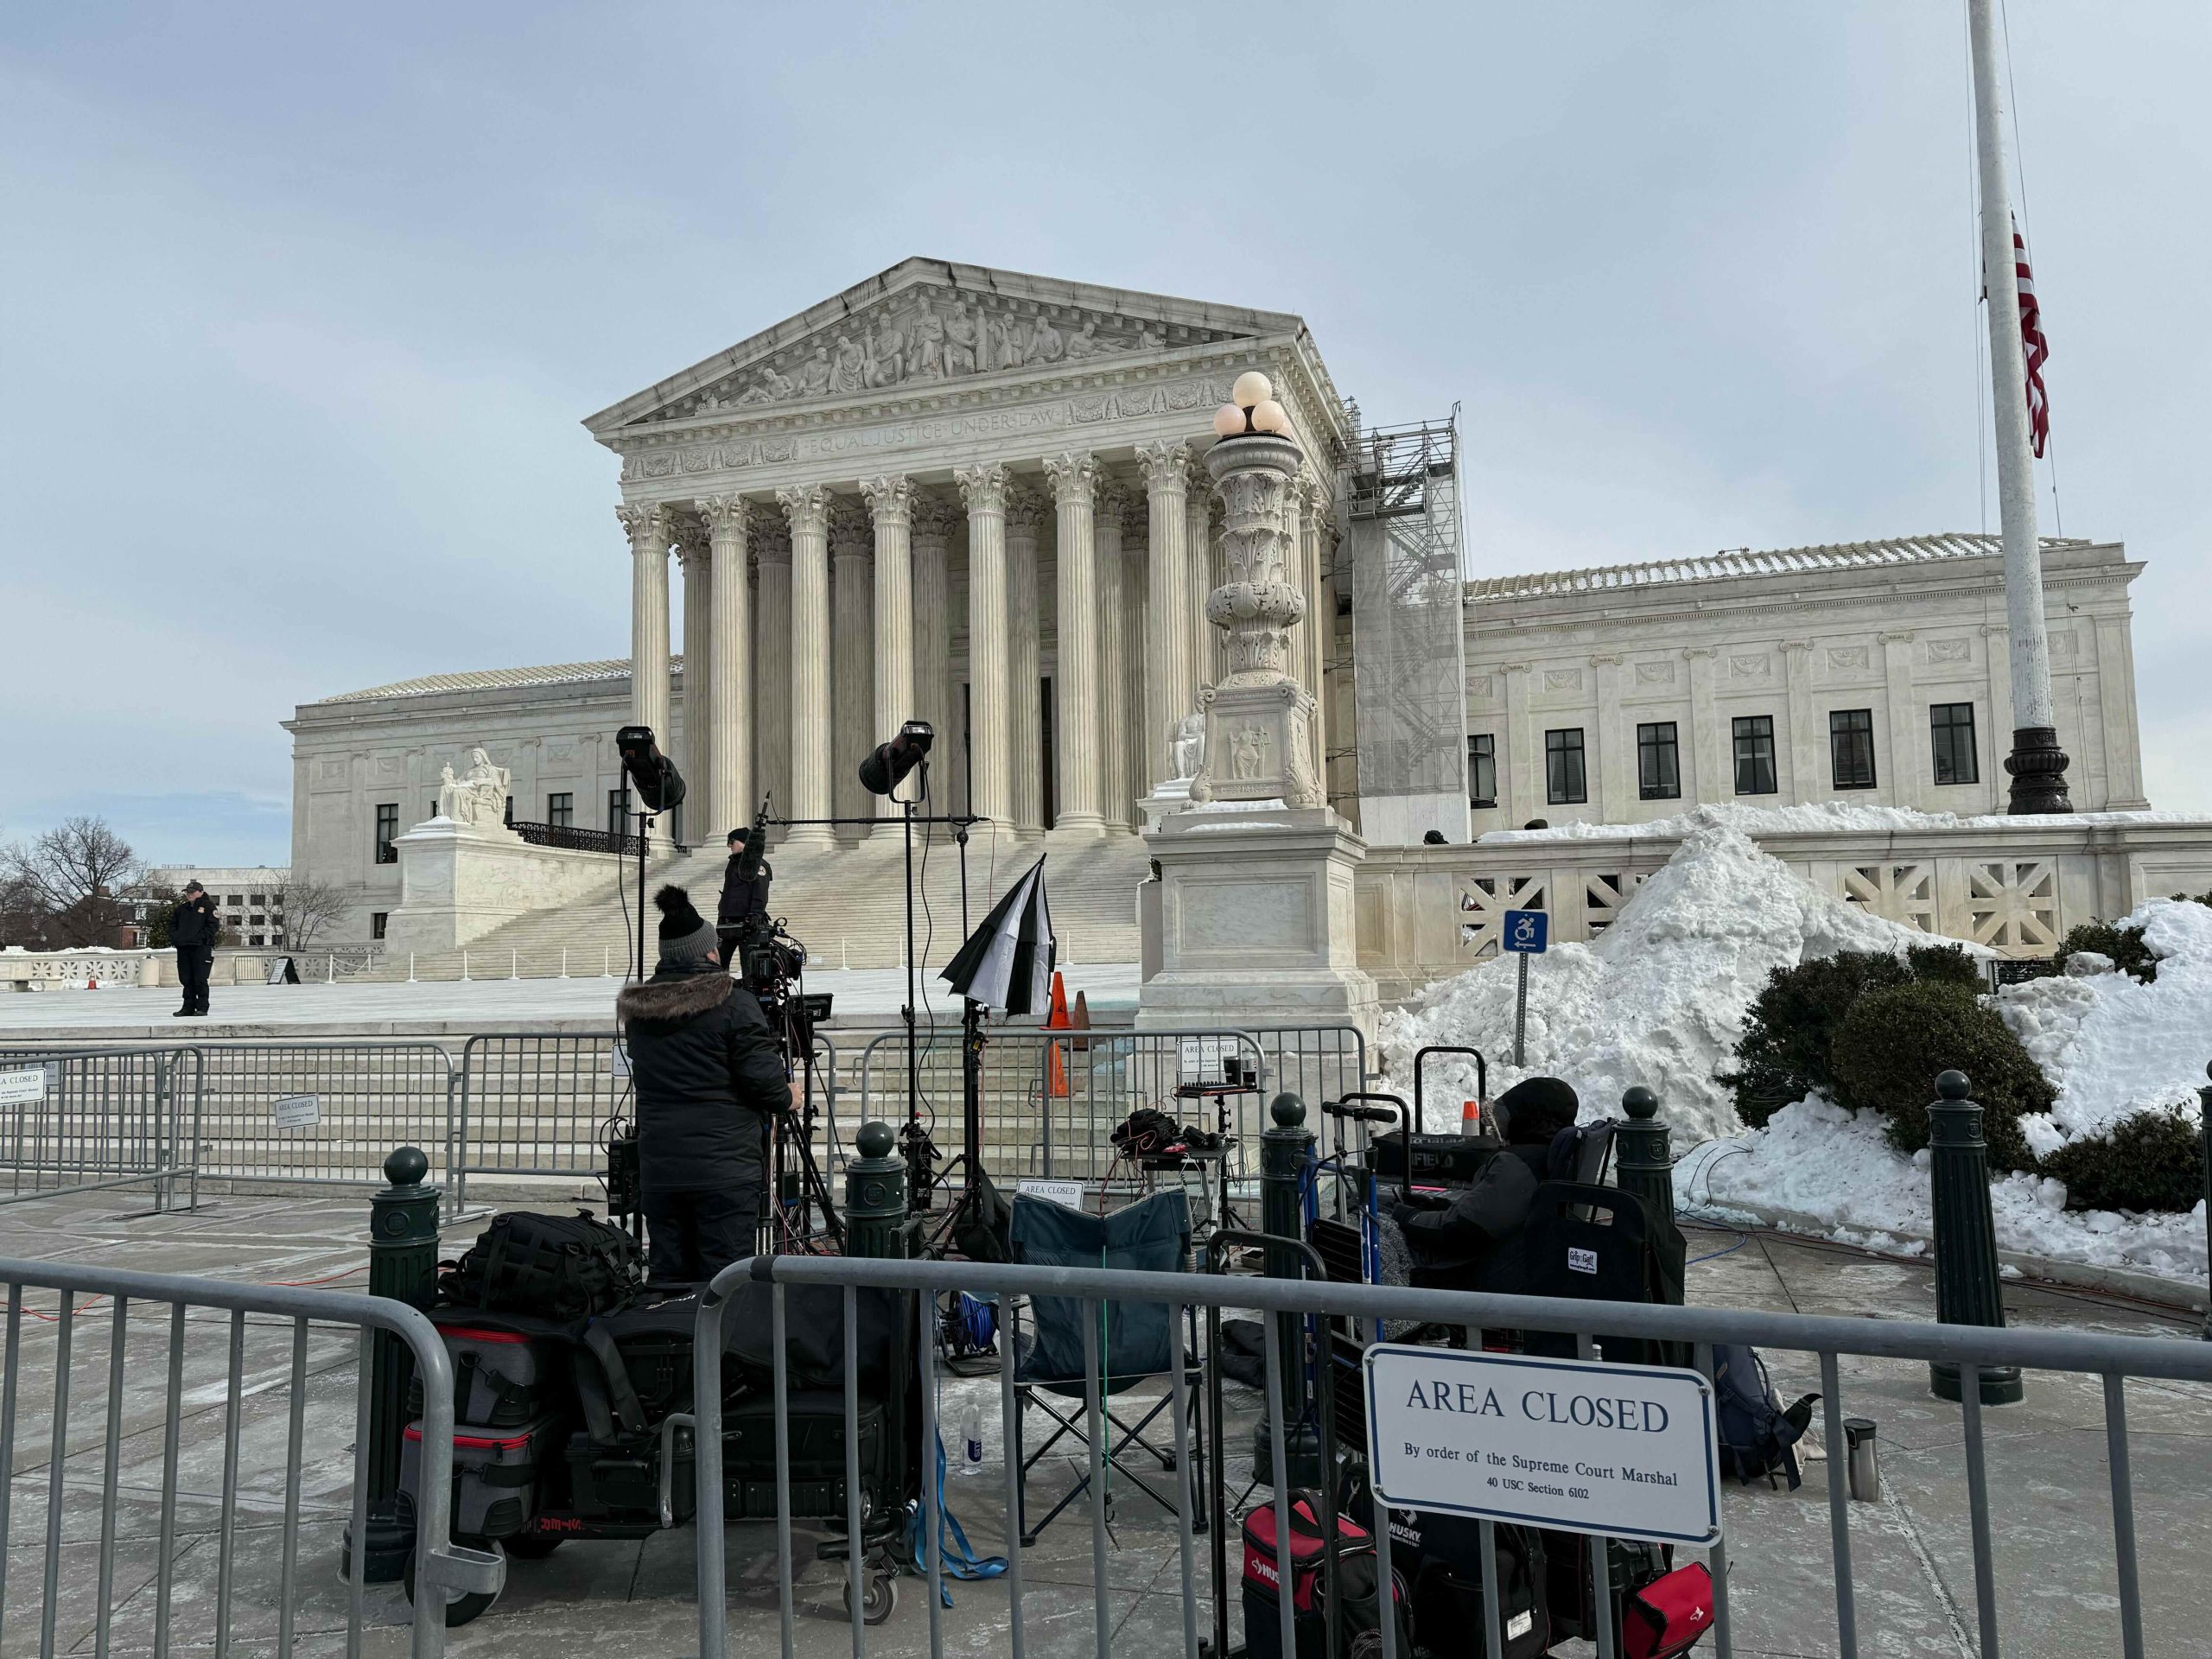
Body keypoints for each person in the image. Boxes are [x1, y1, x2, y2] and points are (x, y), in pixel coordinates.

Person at [616, 885, 791, 1283]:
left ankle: (671, 1343)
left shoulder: (639, 1013)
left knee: (668, 1282)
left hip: (661, 1169)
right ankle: (720, 1347)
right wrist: (790, 1097)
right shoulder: (733, 1002)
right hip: (723, 1170)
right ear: (708, 952)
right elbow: (766, 1086)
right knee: (724, 1286)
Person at [1389, 1077, 1581, 1292]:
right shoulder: (1552, 1155)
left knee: (1380, 1238)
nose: (1497, 1130)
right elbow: (1487, 1212)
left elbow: (1461, 1229)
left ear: (1523, 1119)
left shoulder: (1517, 1164)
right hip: (1513, 1263)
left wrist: (1405, 1216)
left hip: (1474, 1272)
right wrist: (1437, 1206)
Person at [715, 826, 772, 962]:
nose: (729, 845)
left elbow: (760, 892)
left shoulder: (757, 864)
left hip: (747, 924)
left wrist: (755, 916)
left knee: (749, 964)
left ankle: (747, 984)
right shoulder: (732, 863)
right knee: (718, 962)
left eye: (732, 841)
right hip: (727, 922)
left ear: (743, 842)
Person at [168, 880, 220, 1017]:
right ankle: (188, 1007)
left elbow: (213, 926)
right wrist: (177, 938)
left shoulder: (208, 907)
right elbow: (172, 925)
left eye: (192, 892)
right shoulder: (181, 909)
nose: (189, 895)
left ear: (200, 892)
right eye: (187, 892)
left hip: (200, 948)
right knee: (186, 979)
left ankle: (202, 1007)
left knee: (200, 979)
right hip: (184, 948)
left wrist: (200, 938)